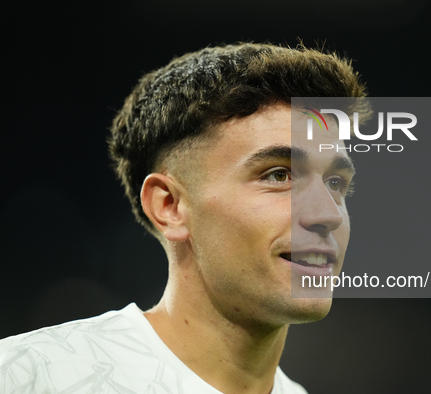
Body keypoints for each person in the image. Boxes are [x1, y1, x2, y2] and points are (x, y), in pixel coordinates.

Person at [0, 43, 368, 393]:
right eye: (278, 175)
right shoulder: (30, 375)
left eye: (336, 182)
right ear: (170, 206)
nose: (329, 214)